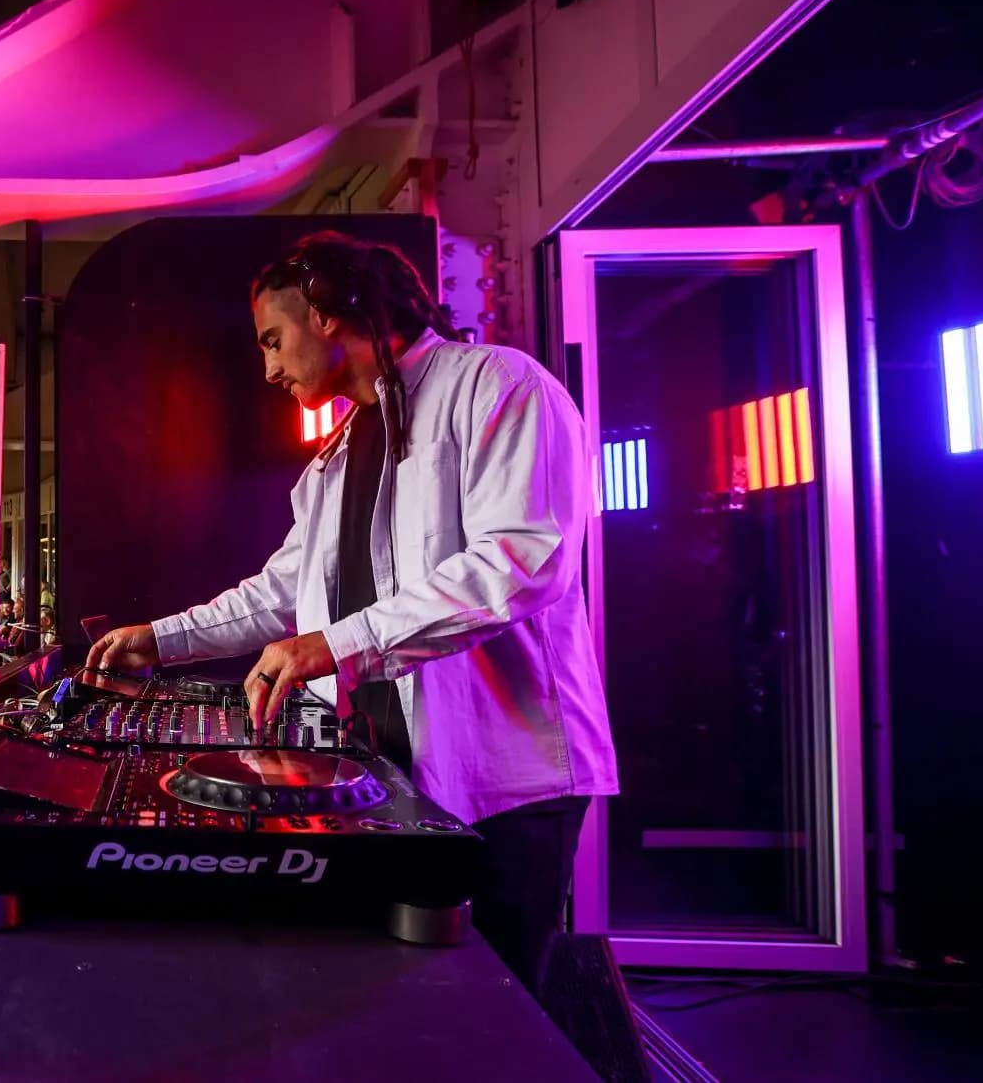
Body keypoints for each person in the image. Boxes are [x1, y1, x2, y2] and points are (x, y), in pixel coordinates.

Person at [85, 231, 618, 1000]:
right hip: (394, 776)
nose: (267, 367)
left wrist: (337, 645)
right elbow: (280, 593)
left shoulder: (500, 385)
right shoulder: (332, 458)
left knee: (499, 1011)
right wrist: (159, 640)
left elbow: (521, 561)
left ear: (328, 312)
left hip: (509, 785)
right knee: (417, 1006)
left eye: (274, 338)